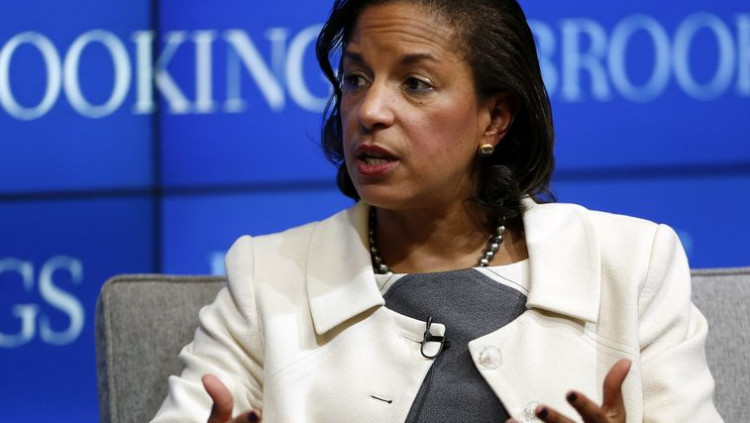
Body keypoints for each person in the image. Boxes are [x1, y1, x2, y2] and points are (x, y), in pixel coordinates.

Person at [151, 0, 723, 422]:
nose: (369, 111)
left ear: (494, 120)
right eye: (355, 79)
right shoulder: (267, 276)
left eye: (416, 84)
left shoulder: (630, 264)